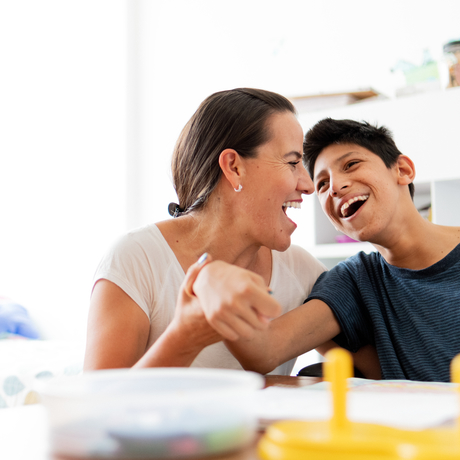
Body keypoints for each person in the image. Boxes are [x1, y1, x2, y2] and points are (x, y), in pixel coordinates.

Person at [191, 118, 460, 382]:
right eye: (321, 184)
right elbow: (263, 350)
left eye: (351, 164)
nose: (336, 187)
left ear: (402, 170)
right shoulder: (355, 281)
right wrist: (207, 281)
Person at [83, 88, 326, 374]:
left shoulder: (302, 272)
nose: (308, 185)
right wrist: (186, 336)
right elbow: (95, 407)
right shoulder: (136, 259)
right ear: (234, 167)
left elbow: (366, 365)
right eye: (293, 163)